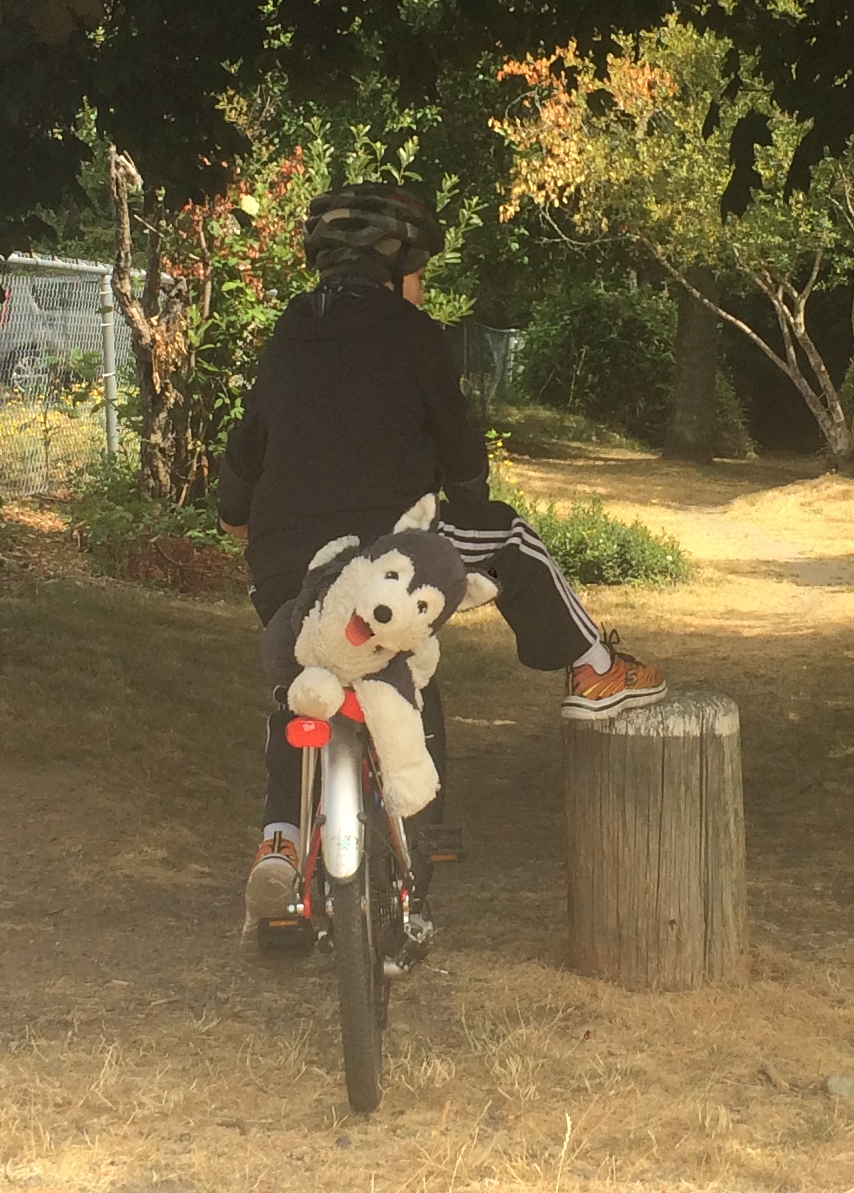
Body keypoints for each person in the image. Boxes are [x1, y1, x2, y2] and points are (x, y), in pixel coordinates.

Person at [219, 182, 666, 926]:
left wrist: (241, 517)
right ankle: (594, 668)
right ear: (396, 264)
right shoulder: (415, 335)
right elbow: (461, 456)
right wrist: (465, 499)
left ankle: (282, 841)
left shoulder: (287, 335)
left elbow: (244, 462)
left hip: (285, 562)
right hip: (391, 559)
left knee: (302, 677)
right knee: (510, 539)